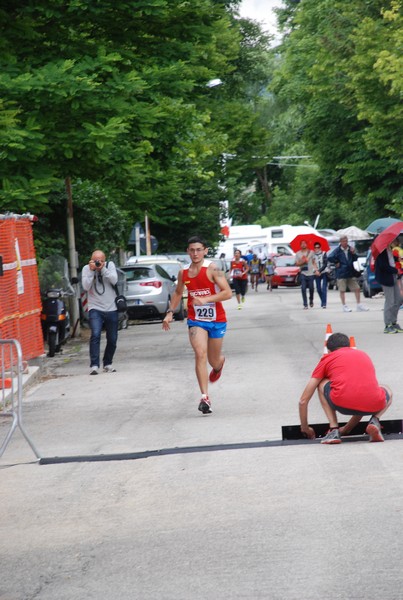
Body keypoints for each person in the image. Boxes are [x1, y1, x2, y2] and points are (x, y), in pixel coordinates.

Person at [162, 236, 232, 414]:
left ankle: (219, 364)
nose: (195, 253)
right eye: (192, 250)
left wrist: (206, 299)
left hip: (217, 319)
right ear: (187, 251)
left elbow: (227, 293)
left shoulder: (213, 269)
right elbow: (178, 293)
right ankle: (205, 397)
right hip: (196, 319)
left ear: (205, 251)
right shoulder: (183, 272)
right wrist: (170, 312)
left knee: (213, 360)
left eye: (199, 249)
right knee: (200, 353)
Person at [299, 332, 392, 444]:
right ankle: (375, 421)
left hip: (341, 403)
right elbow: (360, 396)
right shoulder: (363, 354)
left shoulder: (328, 358)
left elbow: (303, 401)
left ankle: (334, 430)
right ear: (348, 346)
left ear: (328, 350)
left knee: (321, 383)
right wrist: (347, 429)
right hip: (374, 403)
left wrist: (305, 428)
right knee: (385, 389)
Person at [81, 250, 119, 375]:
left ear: (104, 260)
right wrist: (92, 271)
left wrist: (102, 269)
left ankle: (107, 363)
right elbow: (86, 286)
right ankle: (94, 365)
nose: (98, 263)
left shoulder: (110, 266)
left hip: (111, 307)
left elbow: (114, 280)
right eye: (95, 260)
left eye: (101, 260)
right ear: (91, 260)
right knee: (95, 335)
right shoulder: (86, 269)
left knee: (112, 339)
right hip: (95, 307)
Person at [327, 235, 368, 312]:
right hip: (341, 272)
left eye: (346, 241)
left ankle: (359, 305)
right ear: (341, 242)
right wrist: (336, 262)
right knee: (342, 290)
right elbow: (329, 257)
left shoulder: (350, 249)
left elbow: (355, 259)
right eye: (343, 241)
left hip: (350, 272)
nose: (345, 242)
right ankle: (344, 305)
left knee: (357, 288)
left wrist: (353, 253)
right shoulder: (337, 250)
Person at [375, 237, 403, 334]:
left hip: (393, 277)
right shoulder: (381, 251)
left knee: (399, 300)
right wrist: (396, 270)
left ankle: (393, 322)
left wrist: (397, 258)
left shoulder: (388, 249)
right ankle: (388, 324)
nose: (393, 241)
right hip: (386, 278)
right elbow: (383, 266)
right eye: (392, 240)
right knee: (390, 301)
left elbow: (390, 260)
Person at [295, 240, 317, 309]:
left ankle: (311, 299)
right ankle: (305, 304)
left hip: (310, 273)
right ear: (300, 245)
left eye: (305, 243)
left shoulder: (311, 252)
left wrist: (316, 270)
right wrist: (302, 261)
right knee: (303, 288)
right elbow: (296, 264)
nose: (303, 245)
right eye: (302, 244)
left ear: (307, 244)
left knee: (311, 288)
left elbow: (313, 262)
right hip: (303, 273)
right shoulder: (298, 253)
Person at [313, 241, 329, 308]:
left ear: (320, 248)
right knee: (318, 289)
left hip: (324, 272)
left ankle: (324, 303)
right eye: (315, 247)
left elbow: (325, 264)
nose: (317, 249)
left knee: (324, 288)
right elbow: (312, 264)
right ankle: (323, 300)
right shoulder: (312, 255)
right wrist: (316, 271)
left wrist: (320, 271)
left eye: (318, 247)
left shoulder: (324, 253)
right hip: (316, 273)